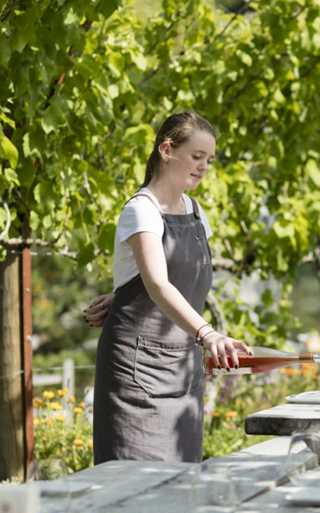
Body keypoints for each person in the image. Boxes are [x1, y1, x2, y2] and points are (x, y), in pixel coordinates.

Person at [84, 111, 251, 464]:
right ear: (166, 149)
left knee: (181, 486)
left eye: (209, 160)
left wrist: (123, 296)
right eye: (196, 156)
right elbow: (158, 283)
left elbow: (186, 278)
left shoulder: (195, 212)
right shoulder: (140, 210)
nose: (204, 166)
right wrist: (209, 334)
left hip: (181, 371)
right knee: (136, 485)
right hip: (136, 376)